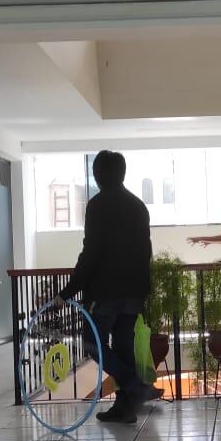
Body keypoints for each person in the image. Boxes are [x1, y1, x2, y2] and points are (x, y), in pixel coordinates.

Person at [57, 150, 162, 424]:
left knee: (92, 344)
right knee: (124, 347)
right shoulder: (138, 205)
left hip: (105, 292)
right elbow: (146, 250)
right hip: (135, 290)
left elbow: (91, 252)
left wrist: (67, 292)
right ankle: (125, 409)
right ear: (122, 173)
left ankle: (135, 385)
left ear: (98, 174)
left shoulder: (98, 205)